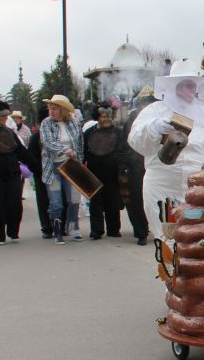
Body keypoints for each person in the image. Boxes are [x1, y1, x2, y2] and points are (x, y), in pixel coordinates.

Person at [128, 59, 204, 244]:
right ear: (174, 87)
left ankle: (192, 273)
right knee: (168, 238)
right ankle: (172, 272)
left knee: (198, 240)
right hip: (162, 188)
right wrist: (155, 128)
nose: (189, 90)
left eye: (192, 85)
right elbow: (135, 140)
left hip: (197, 190)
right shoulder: (155, 111)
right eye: (184, 85)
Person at [0, 101, 39, 244]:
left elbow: (22, 152)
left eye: (6, 116)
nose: (4, 118)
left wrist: (36, 166)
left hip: (11, 173)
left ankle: (13, 231)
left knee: (14, 204)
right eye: (1, 115)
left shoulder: (10, 132)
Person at [40, 95, 85, 244]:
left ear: (63, 110)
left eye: (54, 109)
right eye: (50, 109)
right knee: (56, 202)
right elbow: (47, 141)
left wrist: (80, 160)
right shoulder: (46, 123)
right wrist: (64, 149)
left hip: (71, 166)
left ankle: (74, 228)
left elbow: (80, 143)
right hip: (53, 168)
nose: (51, 112)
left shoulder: (73, 122)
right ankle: (57, 231)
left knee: (74, 199)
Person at [120, 86, 156, 245]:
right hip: (135, 165)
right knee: (136, 199)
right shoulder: (133, 120)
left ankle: (155, 228)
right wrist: (124, 163)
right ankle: (141, 231)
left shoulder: (160, 117)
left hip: (155, 163)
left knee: (155, 199)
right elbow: (124, 144)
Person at [84, 103, 124, 240]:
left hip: (113, 172)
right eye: (103, 116)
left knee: (112, 201)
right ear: (98, 117)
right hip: (94, 171)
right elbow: (83, 151)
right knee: (95, 201)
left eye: (109, 116)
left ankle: (113, 229)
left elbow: (123, 150)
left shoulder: (118, 133)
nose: (106, 119)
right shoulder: (89, 133)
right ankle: (96, 230)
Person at [28, 106, 66, 239]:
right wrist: (41, 170)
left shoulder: (62, 134)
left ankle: (61, 226)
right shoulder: (35, 138)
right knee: (44, 201)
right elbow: (31, 158)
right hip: (42, 175)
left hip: (60, 172)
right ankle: (47, 227)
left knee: (61, 200)